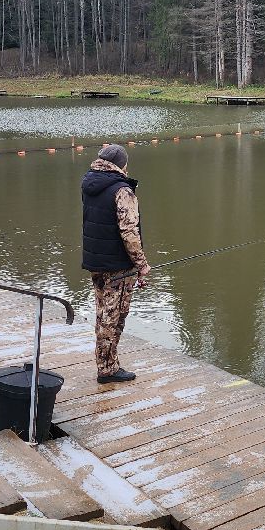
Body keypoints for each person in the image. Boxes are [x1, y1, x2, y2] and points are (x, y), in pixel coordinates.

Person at [80, 143, 151, 384]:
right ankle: (108, 369)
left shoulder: (90, 184)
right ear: (121, 164)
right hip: (118, 266)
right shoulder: (121, 190)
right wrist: (141, 264)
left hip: (96, 261)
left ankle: (106, 364)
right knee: (114, 316)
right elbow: (129, 232)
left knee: (102, 314)